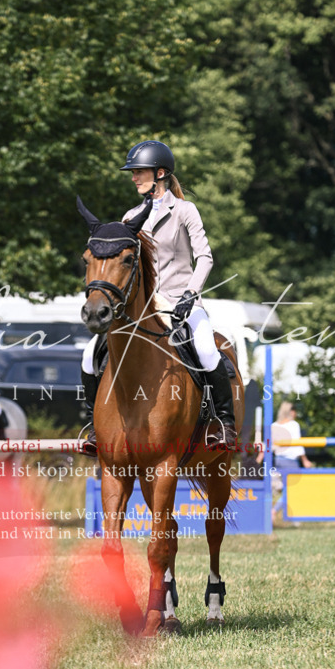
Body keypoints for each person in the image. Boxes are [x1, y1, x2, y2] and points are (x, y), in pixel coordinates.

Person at [80, 139, 237, 455]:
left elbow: (204, 257)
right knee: (89, 355)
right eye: (133, 172)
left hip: (181, 300)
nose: (134, 178)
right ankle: (94, 426)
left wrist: (191, 293)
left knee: (207, 349)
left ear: (161, 172)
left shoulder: (184, 211)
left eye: (139, 172)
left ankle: (223, 422)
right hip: (142, 306)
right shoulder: (130, 217)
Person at [271, 401, 312, 519]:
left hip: (277, 461)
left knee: (276, 490)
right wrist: (305, 460)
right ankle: (274, 511)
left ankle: (269, 512)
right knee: (293, 490)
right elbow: (298, 445)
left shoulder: (274, 425)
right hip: (291, 462)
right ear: (291, 412)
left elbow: (272, 446)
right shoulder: (294, 425)